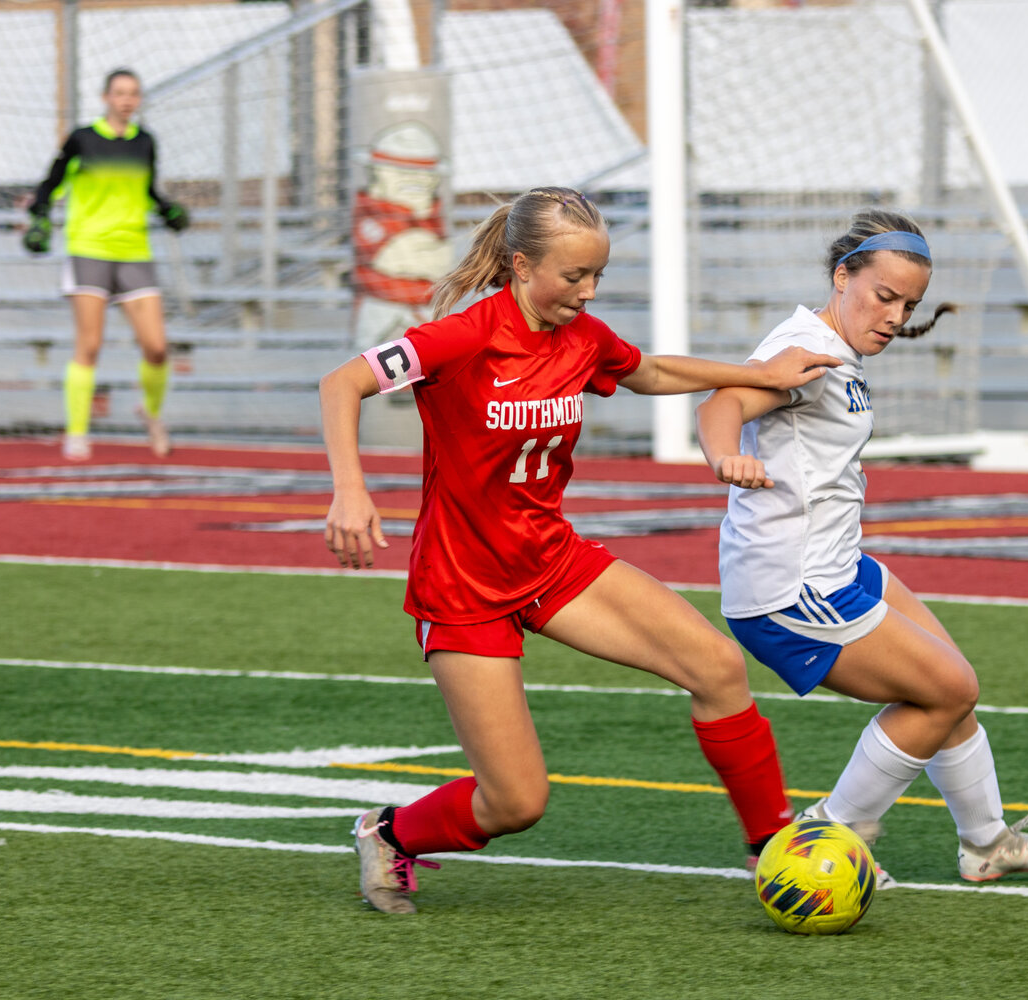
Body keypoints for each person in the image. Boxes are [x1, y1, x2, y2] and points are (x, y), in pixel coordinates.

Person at [320, 186, 841, 915]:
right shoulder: (464, 337)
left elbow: (650, 372)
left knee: (717, 666)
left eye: (597, 276)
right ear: (521, 264)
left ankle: (776, 849)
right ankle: (390, 834)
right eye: (574, 278)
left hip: (551, 563)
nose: (588, 292)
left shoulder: (583, 336)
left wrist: (759, 375)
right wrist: (351, 490)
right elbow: (341, 382)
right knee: (516, 802)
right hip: (463, 588)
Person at [695, 209, 1028, 883]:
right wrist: (726, 457)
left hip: (838, 563)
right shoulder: (807, 351)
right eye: (884, 296)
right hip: (793, 588)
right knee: (947, 688)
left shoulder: (837, 347)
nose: (895, 316)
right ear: (842, 276)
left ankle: (987, 844)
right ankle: (823, 839)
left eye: (909, 304)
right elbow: (720, 403)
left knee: (952, 690)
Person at [23, 67, 189, 461]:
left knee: (157, 348)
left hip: (134, 251)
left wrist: (167, 209)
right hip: (89, 248)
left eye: (133, 93)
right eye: (119, 93)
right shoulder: (82, 139)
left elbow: (146, 188)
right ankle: (77, 434)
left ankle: (150, 413)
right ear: (105, 98)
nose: (126, 99)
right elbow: (50, 184)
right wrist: (39, 218)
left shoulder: (145, 142)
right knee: (90, 345)